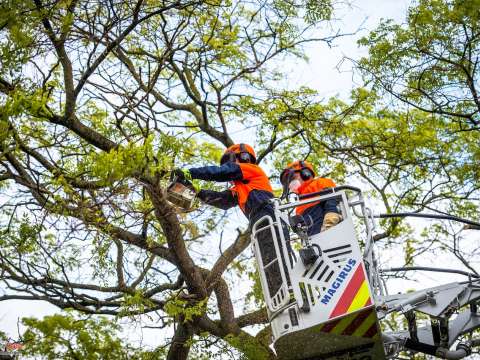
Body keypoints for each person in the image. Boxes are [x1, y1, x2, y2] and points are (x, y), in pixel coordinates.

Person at [173, 143, 291, 295]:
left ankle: (290, 293)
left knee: (278, 261)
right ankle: (282, 298)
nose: (228, 166)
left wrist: (189, 173)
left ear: (243, 157)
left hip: (270, 218)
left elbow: (221, 173)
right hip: (260, 223)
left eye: (230, 161)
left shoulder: (251, 169)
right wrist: (195, 191)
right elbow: (222, 200)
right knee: (269, 265)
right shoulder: (240, 187)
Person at [280, 160, 341, 236]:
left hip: (330, 233)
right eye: (288, 182)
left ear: (306, 173)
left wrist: (329, 226)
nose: (290, 183)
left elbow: (332, 203)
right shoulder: (299, 204)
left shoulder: (321, 183)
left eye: (292, 178)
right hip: (314, 241)